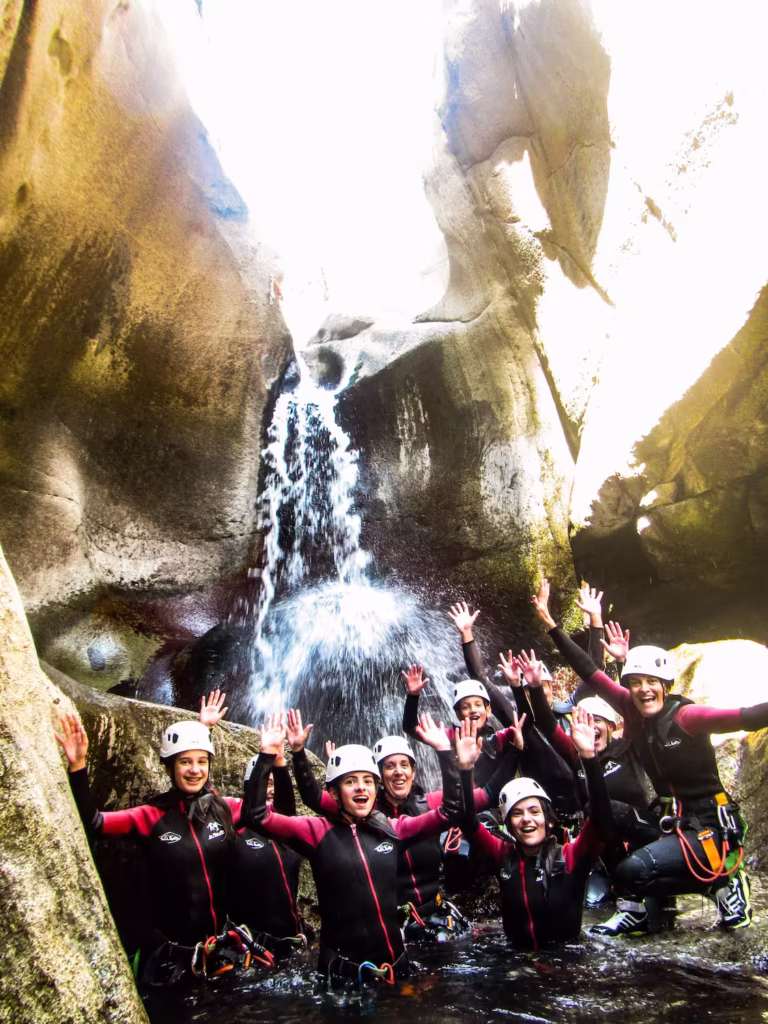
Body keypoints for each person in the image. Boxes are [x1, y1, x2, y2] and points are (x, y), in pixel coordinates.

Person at [532, 578, 768, 933]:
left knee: (632, 872)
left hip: (709, 825)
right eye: (636, 682)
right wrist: (551, 626)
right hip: (672, 819)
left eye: (652, 682)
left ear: (666, 686)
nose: (643, 689)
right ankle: (648, 904)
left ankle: (725, 881)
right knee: (607, 814)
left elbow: (745, 716)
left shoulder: (688, 717)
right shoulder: (629, 709)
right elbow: (590, 672)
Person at [242, 712, 465, 985]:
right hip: (343, 979)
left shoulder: (393, 829)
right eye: (350, 781)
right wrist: (268, 756)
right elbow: (258, 816)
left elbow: (450, 811)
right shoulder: (315, 832)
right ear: (334, 793)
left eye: (368, 781)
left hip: (395, 971)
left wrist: (444, 751)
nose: (361, 788)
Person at [283, 710, 523, 939]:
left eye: (404, 765)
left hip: (435, 915)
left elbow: (488, 796)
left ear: (413, 772)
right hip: (393, 924)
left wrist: (515, 751)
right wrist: (298, 752)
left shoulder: (429, 804)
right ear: (377, 777)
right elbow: (314, 797)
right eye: (389, 766)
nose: (398, 772)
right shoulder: (362, 812)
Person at [55, 697, 242, 984]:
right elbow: (95, 823)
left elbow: (261, 811)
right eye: (185, 762)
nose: (194, 769)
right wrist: (78, 765)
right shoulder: (150, 816)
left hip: (219, 952)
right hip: (172, 960)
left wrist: (205, 729)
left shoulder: (218, 807)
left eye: (201, 762)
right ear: (170, 767)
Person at [455, 706, 611, 948]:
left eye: (534, 811)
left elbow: (601, 818)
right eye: (517, 814)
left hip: (566, 966)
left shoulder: (570, 857)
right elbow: (467, 820)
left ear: (549, 820)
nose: (527, 819)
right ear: (508, 825)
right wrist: (465, 771)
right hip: (516, 963)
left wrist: (589, 758)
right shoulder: (502, 855)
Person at [228, 747, 303, 959]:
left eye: (275, 784)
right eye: (266, 784)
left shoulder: (289, 830)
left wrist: (285, 759)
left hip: (291, 944)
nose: (271, 790)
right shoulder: (235, 830)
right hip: (249, 948)